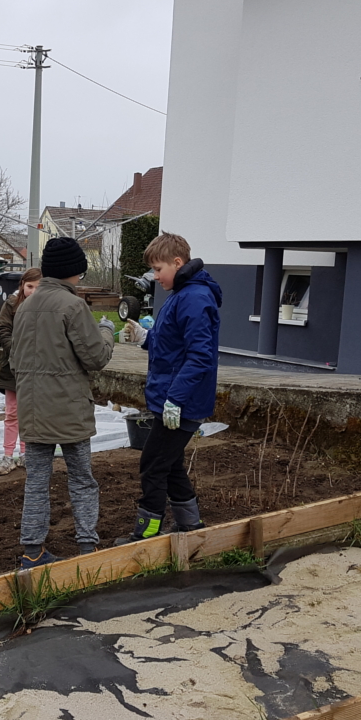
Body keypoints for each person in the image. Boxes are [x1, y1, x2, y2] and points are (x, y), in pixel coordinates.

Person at [10, 237, 115, 567]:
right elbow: (96, 357)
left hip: (33, 409)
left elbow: (15, 360)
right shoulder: (73, 307)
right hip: (70, 409)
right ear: (75, 272)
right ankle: (87, 547)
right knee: (82, 480)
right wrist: (108, 331)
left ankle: (32, 551)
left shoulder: (25, 307)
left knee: (37, 483)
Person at [119, 232, 222, 544]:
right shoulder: (181, 294)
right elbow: (173, 346)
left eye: (158, 269)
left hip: (181, 403)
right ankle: (190, 525)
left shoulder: (194, 298)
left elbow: (200, 356)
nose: (154, 276)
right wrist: (145, 338)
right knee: (170, 462)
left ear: (177, 263)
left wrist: (175, 399)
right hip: (171, 399)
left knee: (152, 465)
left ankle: (146, 533)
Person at [0, 268, 41, 476]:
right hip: (13, 369)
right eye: (30, 286)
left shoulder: (47, 308)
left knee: (31, 413)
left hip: (38, 369)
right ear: (22, 286)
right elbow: (2, 329)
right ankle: (7, 455)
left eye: (38, 288)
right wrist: (16, 349)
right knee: (12, 413)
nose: (33, 291)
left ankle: (26, 453)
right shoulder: (11, 305)